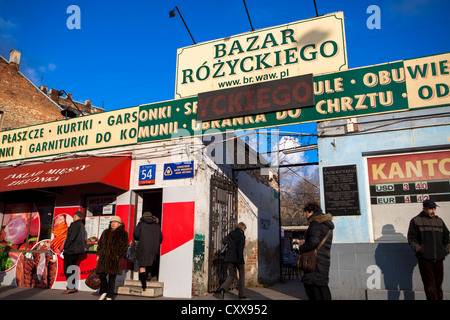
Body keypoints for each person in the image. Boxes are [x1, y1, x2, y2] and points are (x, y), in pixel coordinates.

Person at [407, 199, 450, 300]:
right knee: (430, 285)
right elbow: (411, 238)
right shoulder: (416, 221)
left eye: (434, 208)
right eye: (430, 209)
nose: (433, 211)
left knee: (438, 285)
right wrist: (420, 250)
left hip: (439, 258)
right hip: (425, 259)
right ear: (424, 209)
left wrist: (445, 250)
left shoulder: (439, 221)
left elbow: (447, 237)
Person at [299, 201, 334, 300]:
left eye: (306, 212)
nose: (306, 215)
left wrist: (301, 248)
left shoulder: (315, 223)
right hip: (323, 259)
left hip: (315, 261)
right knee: (322, 286)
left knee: (313, 288)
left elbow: (313, 242)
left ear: (311, 211)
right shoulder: (327, 224)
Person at [96, 216, 129, 300]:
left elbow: (125, 246)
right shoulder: (105, 232)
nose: (113, 223)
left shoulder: (123, 233)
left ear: (119, 224)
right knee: (101, 274)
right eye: (111, 222)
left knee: (112, 278)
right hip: (103, 257)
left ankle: (109, 296)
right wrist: (98, 254)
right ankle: (104, 291)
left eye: (115, 222)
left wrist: (118, 255)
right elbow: (100, 243)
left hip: (114, 259)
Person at [216, 222, 247, 299]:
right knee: (242, 275)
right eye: (244, 229)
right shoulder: (242, 235)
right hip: (238, 258)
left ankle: (223, 288)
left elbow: (224, 241)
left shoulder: (231, 233)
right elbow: (240, 248)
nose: (244, 230)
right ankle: (241, 294)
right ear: (243, 228)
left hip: (230, 257)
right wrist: (240, 259)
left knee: (231, 275)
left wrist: (230, 245)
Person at [133, 211, 163, 290]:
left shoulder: (141, 224)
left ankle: (144, 285)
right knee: (150, 260)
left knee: (142, 265)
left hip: (143, 246)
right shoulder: (157, 225)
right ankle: (149, 273)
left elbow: (136, 235)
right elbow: (161, 238)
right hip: (154, 247)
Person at [62, 210, 86, 294]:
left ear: (76, 216)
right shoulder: (82, 225)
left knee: (67, 268)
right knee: (72, 268)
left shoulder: (75, 224)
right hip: (77, 250)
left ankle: (70, 287)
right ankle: (72, 287)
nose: (73, 217)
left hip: (71, 250)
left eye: (74, 216)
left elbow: (71, 237)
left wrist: (65, 247)